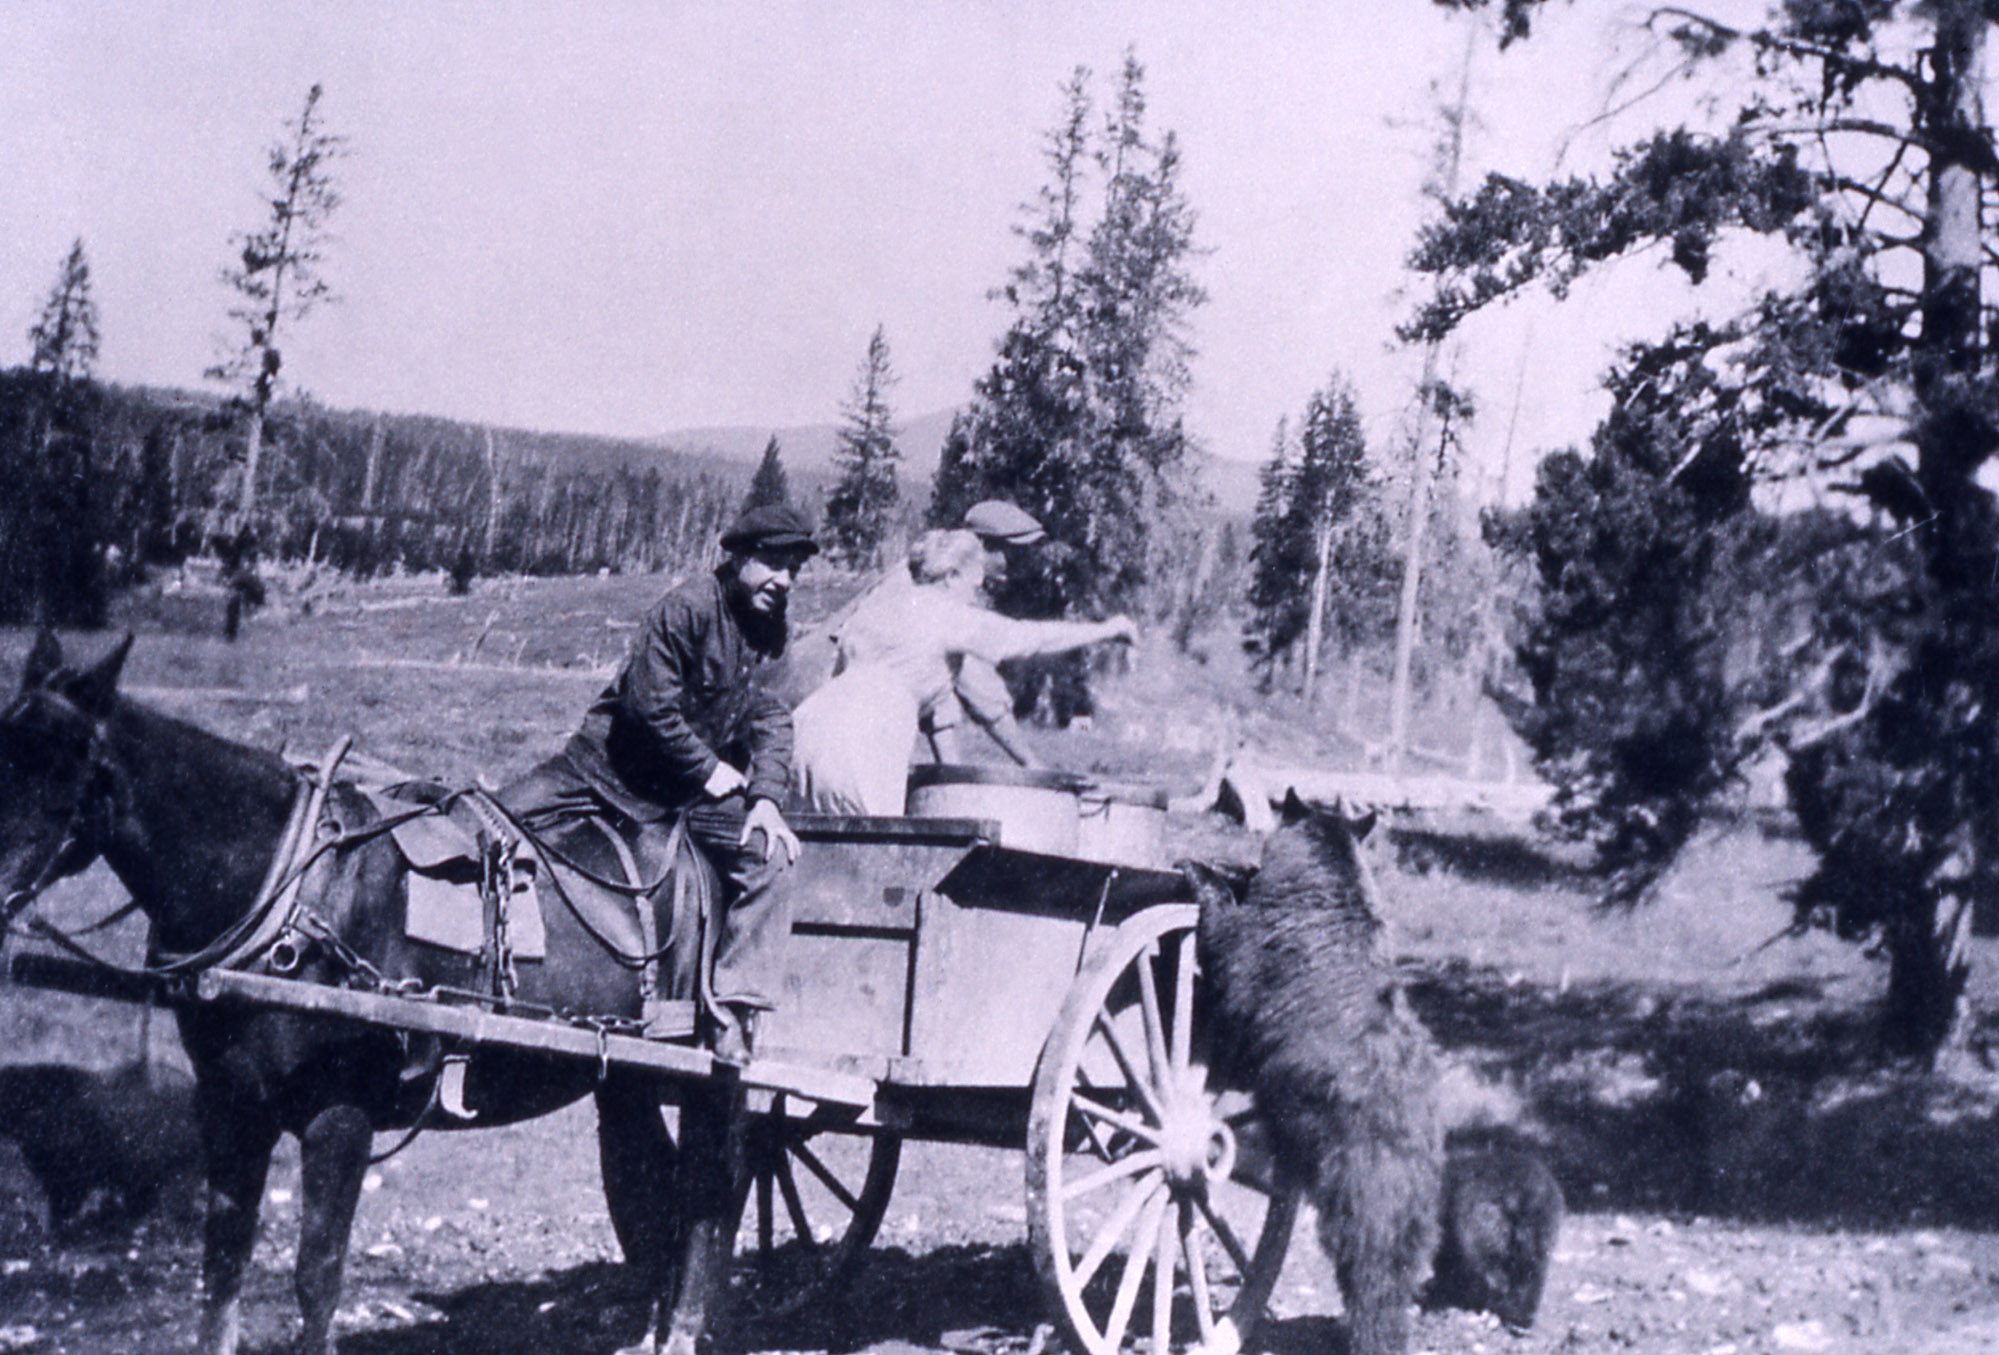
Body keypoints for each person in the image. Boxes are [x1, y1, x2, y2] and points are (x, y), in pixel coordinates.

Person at [502, 503, 814, 1063]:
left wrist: (766, 799)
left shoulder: (774, 631)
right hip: (603, 773)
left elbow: (773, 720)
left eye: (794, 567)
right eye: (772, 562)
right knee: (493, 825)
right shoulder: (688, 608)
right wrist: (710, 768)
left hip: (687, 800)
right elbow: (649, 708)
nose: (784, 580)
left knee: (773, 859)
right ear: (738, 556)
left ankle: (730, 1011)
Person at [791, 528, 1137, 814]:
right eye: (975, 584)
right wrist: (1107, 629)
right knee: (874, 863)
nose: (977, 594)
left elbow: (937, 713)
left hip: (809, 731)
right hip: (869, 738)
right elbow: (1033, 638)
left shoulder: (878, 609)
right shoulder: (948, 615)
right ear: (951, 575)